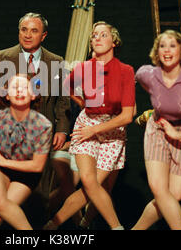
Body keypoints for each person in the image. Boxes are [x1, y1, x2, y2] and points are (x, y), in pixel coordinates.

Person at [44, 21, 135, 230]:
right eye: (94, 35)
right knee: (88, 180)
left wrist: (95, 129)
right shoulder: (83, 68)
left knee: (90, 189)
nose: (97, 38)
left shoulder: (125, 71)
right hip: (87, 125)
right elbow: (67, 87)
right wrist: (84, 104)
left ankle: (52, 225)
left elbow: (127, 116)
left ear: (114, 41)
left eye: (103, 35)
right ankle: (117, 227)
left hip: (113, 130)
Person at [0, 12, 71, 215]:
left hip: (41, 136)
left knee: (39, 190)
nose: (28, 35)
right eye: (24, 30)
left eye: (34, 30)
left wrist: (62, 129)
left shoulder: (56, 61)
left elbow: (63, 99)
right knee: (4, 194)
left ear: (44, 35)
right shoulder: (0, 58)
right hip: (7, 134)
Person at [132, 30, 181, 230]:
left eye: (172, 46)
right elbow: (134, 78)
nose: (167, 50)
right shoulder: (147, 74)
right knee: (159, 190)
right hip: (158, 130)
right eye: (162, 46)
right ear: (156, 52)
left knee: (173, 196)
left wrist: (177, 134)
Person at [0, 74, 53, 230]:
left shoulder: (43, 125)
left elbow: (37, 166)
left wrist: (3, 161)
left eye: (25, 88)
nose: (19, 91)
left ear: (33, 95)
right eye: (14, 88)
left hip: (25, 171)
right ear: (6, 94)